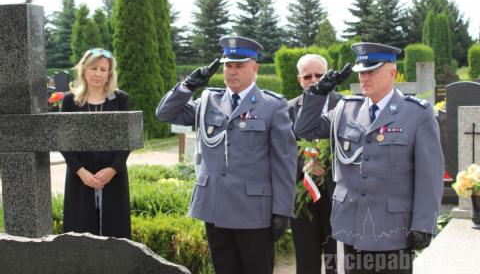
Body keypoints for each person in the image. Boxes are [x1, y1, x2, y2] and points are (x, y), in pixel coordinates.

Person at [294, 42, 444, 274]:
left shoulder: (416, 113)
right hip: (352, 226)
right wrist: (316, 93)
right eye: (361, 72)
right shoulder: (346, 109)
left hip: (393, 230)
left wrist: (424, 224)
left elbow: (430, 176)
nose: (364, 77)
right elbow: (304, 129)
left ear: (391, 72)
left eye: (371, 71)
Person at [156, 36, 297, 274]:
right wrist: (188, 86)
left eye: (239, 65)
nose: (232, 71)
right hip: (216, 208)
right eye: (227, 65)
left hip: (254, 213)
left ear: (255, 68)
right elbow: (165, 114)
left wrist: (282, 210)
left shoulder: (272, 106)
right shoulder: (209, 100)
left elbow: (284, 162)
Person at [61, 48, 131, 239]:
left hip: (113, 175)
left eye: (103, 69)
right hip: (80, 175)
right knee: (80, 232)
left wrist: (113, 169)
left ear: (110, 73)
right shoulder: (70, 101)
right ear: (84, 70)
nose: (98, 74)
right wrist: (81, 172)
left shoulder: (120, 100)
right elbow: (63, 141)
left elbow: (127, 140)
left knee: (115, 233)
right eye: (94, 68)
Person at [288, 54, 341, 274]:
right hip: (302, 199)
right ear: (300, 80)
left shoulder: (345, 106)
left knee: (335, 260)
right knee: (306, 261)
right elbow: (279, 150)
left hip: (337, 197)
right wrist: (303, 164)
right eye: (307, 76)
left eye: (319, 75)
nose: (314, 80)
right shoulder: (288, 109)